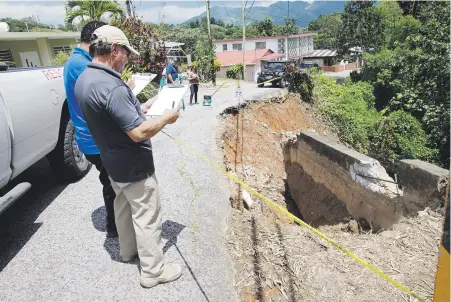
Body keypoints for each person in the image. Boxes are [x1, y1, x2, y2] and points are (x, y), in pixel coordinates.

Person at [74, 25, 182, 288]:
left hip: (111, 162)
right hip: (133, 165)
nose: (127, 58)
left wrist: (140, 107)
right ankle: (153, 271)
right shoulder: (112, 86)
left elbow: (111, 115)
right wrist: (167, 117)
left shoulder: (85, 80)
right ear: (114, 50)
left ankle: (126, 252)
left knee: (122, 208)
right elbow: (138, 132)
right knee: (147, 214)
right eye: (125, 52)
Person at [64, 20, 133, 238]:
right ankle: (116, 228)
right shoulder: (82, 65)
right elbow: (103, 96)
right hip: (96, 138)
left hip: (89, 135)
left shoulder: (76, 61)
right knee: (113, 185)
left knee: (110, 181)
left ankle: (117, 227)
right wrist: (124, 88)